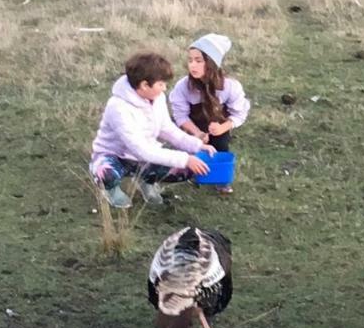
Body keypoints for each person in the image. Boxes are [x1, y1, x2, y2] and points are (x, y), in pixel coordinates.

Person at [90, 51, 215, 209]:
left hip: (144, 155)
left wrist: (196, 145)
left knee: (186, 170)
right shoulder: (118, 108)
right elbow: (141, 150)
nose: (165, 88)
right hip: (115, 156)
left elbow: (167, 128)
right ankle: (110, 189)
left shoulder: (157, 98)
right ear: (144, 85)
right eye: (161, 84)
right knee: (105, 173)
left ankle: (146, 180)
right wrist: (186, 158)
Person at [169, 34, 250, 194]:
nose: (193, 65)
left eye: (199, 61)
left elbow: (239, 114)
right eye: (190, 60)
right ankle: (189, 170)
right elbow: (180, 115)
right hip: (192, 126)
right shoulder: (183, 86)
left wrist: (223, 127)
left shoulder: (230, 87)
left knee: (220, 144)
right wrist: (197, 133)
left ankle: (220, 179)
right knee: (188, 148)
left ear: (212, 63)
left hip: (217, 126)